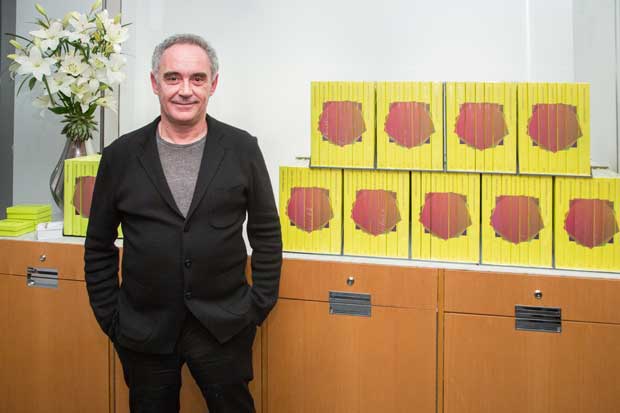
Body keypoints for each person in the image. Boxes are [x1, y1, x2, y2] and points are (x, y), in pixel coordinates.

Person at [84, 33, 282, 413]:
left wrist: (256, 307)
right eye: (173, 78)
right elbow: (98, 245)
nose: (185, 90)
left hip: (224, 326)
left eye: (197, 78)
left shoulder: (242, 149)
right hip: (143, 328)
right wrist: (111, 317)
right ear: (155, 82)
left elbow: (266, 234)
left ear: (214, 84)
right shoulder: (121, 155)